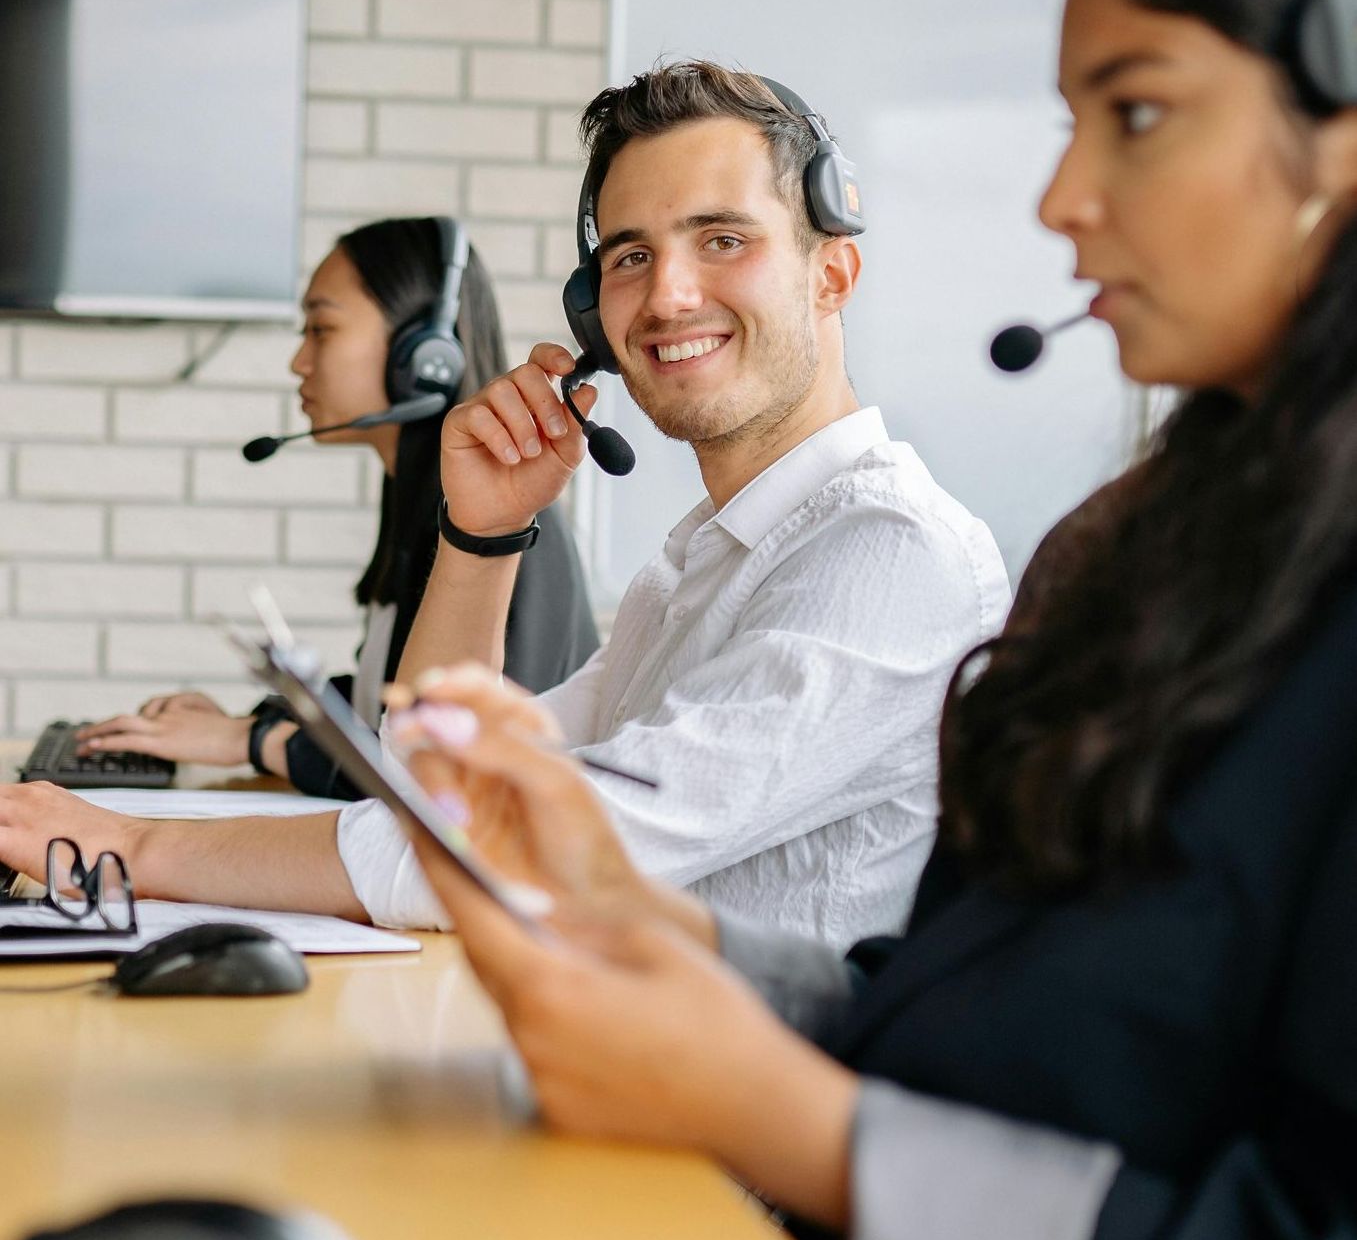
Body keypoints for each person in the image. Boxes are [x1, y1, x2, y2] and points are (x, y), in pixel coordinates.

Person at [368, 0, 1357, 1240]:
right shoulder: (1154, 555)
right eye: (1069, 123)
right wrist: (681, 944)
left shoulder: (915, 554)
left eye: (1138, 114)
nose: (1058, 199)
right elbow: (1000, 1014)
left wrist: (794, 1121)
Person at [0, 67, 1009, 946]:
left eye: (721, 239)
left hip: (720, 1160)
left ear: (832, 272)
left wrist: (135, 843)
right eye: (629, 256)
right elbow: (433, 789)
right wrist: (479, 532)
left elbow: (512, 849)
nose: (665, 297)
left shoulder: (887, 552)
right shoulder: (702, 564)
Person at [76, 218, 598, 797]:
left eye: (321, 330)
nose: (299, 362)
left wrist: (252, 741)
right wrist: (261, 719)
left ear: (425, 357)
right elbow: (388, 697)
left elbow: (448, 774)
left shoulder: (506, 526)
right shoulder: (418, 492)